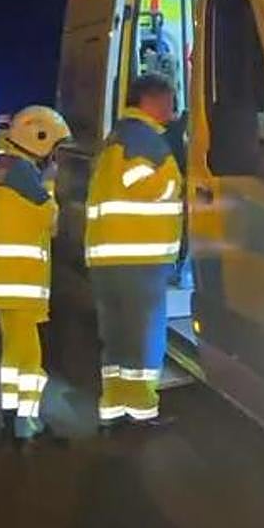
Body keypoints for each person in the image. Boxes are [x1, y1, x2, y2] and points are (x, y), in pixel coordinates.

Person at [86, 74, 183, 429]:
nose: (173, 108)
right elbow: (140, 184)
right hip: (139, 258)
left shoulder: (118, 136)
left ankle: (114, 407)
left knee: (117, 338)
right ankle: (142, 411)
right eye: (170, 100)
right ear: (152, 101)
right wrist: (176, 179)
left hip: (109, 257)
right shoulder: (144, 139)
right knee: (143, 339)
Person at [0, 105, 71, 442]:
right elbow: (51, 220)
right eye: (54, 146)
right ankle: (28, 421)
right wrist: (50, 185)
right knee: (30, 356)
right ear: (39, 138)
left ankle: (10, 415)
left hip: (4, 280)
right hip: (22, 281)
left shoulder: (4, 168)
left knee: (12, 353)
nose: (54, 155)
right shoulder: (23, 174)